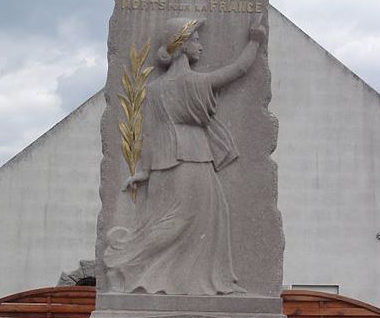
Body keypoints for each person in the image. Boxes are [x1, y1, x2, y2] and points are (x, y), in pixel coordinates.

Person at [104, 16, 266, 295]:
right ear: (181, 44)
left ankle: (179, 279)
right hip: (192, 159)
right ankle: (127, 258)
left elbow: (148, 134)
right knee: (188, 221)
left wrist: (143, 171)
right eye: (195, 39)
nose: (200, 45)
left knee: (194, 220)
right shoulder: (194, 84)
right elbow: (239, 69)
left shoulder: (154, 89)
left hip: (168, 162)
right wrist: (254, 40)